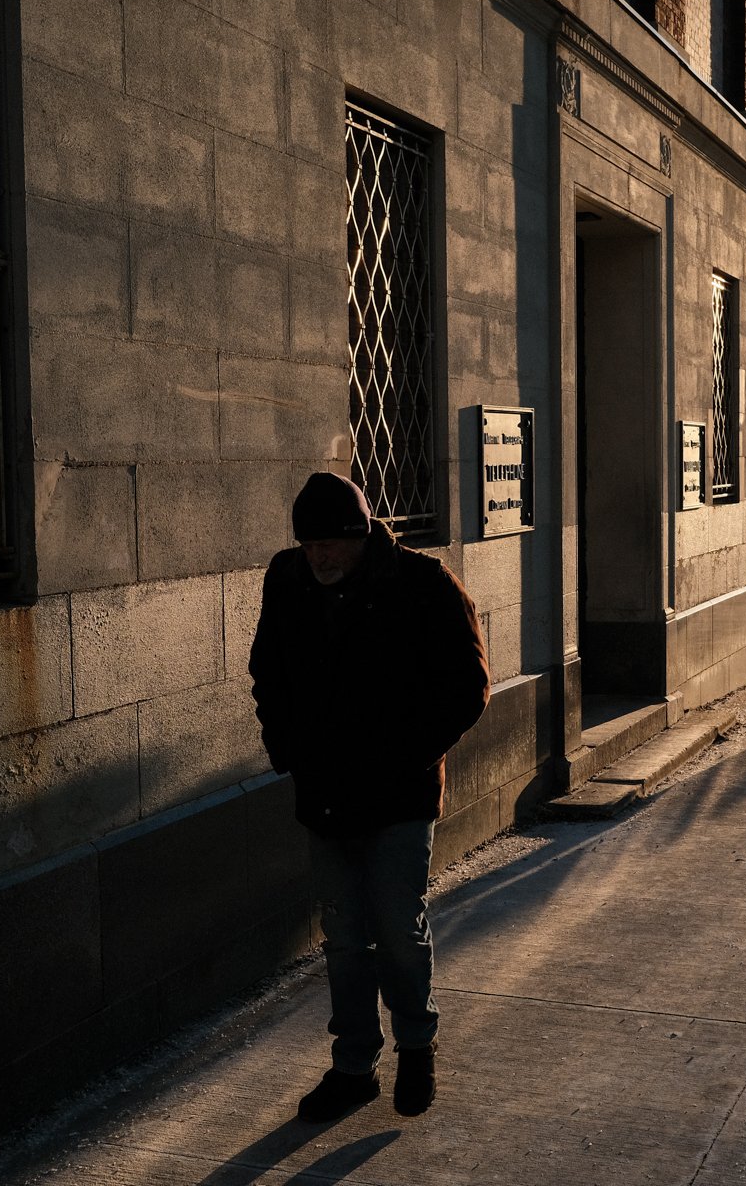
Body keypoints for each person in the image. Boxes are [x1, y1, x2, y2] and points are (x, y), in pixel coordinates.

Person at [249, 471, 490, 1122]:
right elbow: (267, 669)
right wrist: (288, 748)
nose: (320, 556)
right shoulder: (288, 579)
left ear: (361, 537)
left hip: (399, 796)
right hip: (326, 793)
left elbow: (469, 686)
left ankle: (417, 1044)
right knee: (345, 937)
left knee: (397, 929)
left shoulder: (420, 583)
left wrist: (408, 756)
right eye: (309, 544)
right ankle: (354, 1066)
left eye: (332, 544)